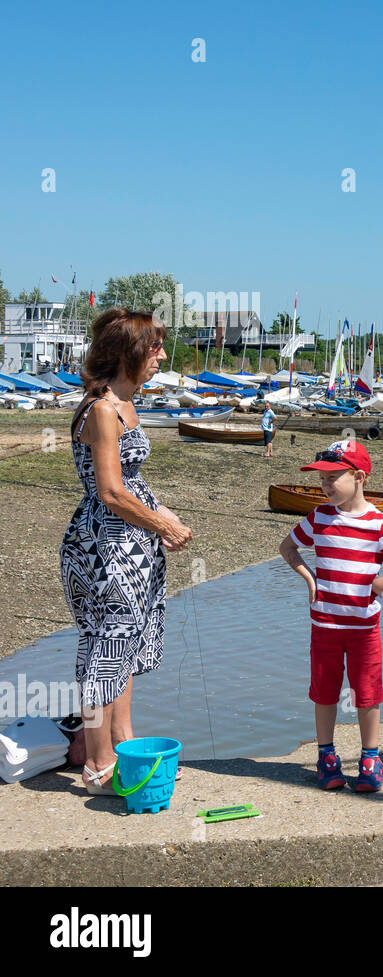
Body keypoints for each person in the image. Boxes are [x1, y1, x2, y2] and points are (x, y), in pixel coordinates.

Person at [60, 308, 194, 794]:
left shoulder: (124, 404)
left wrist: (164, 516)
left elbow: (132, 481)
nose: (161, 355)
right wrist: (159, 523)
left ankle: (124, 746)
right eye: (154, 347)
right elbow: (111, 492)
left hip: (131, 545)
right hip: (102, 547)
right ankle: (98, 766)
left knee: (126, 647)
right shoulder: (101, 409)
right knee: (105, 649)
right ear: (127, 354)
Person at [278, 440, 383, 791]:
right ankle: (326, 756)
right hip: (324, 625)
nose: (325, 486)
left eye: (333, 478)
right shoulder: (319, 517)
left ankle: (370, 756)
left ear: (359, 477)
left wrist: (379, 585)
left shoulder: (378, 523)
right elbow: (287, 547)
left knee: (367, 693)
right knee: (324, 692)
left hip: (364, 628)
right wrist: (308, 578)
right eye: (321, 480)